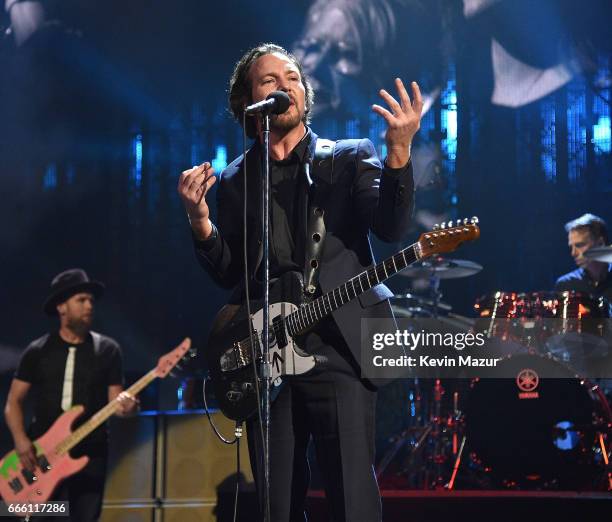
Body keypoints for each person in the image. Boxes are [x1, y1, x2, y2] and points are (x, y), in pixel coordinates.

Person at [178, 43, 421, 521]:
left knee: (352, 497)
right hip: (268, 354)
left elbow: (390, 228)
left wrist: (398, 153)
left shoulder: (349, 158)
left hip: (341, 348)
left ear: (304, 96)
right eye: (269, 80)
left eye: (292, 78)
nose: (285, 85)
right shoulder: (233, 180)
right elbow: (230, 274)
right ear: (248, 103)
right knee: (276, 502)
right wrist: (200, 222)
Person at [4, 268, 139, 522]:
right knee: (45, 517)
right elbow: (13, 402)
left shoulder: (108, 350)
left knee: (84, 517)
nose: (89, 305)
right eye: (81, 300)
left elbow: (116, 402)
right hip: (42, 453)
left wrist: (129, 408)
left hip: (91, 455)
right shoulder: (37, 351)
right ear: (61, 307)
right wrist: (21, 441)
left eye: (91, 300)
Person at [555, 213, 612, 302]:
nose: (573, 253)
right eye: (571, 247)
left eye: (580, 245)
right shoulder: (565, 285)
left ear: (600, 243)